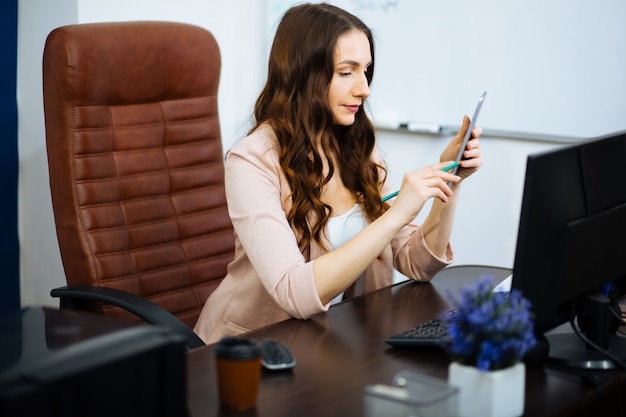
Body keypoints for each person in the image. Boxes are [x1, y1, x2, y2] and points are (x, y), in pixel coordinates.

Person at [194, 2, 483, 344]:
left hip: (332, 341)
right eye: (347, 72)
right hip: (252, 350)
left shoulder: (355, 145)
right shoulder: (252, 160)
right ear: (304, 73)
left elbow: (418, 264)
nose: (364, 88)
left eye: (366, 71)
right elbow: (293, 292)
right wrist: (397, 214)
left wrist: (451, 181)